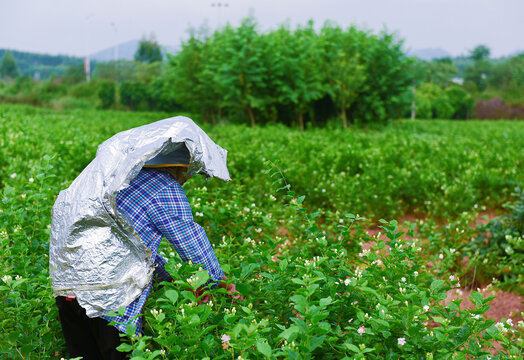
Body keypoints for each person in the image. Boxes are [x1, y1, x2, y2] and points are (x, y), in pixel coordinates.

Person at [55, 153, 241, 359]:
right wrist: (218, 282)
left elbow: (131, 247)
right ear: (181, 168)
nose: (186, 179)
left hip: (68, 289)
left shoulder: (117, 180)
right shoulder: (165, 188)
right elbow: (194, 247)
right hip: (110, 298)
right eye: (189, 174)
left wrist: (172, 277)